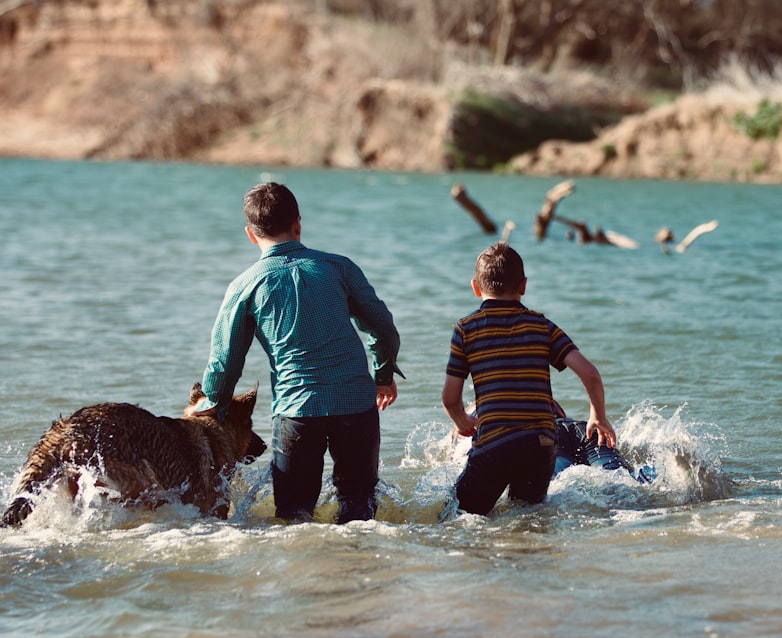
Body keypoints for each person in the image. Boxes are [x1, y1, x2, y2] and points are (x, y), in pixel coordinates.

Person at [191, 182, 402, 523]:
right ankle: (362, 570)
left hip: (297, 410)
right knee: (359, 507)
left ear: (250, 234)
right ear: (298, 224)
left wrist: (213, 401)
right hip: (356, 405)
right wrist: (383, 374)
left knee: (293, 516)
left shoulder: (245, 285)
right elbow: (382, 326)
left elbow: (225, 361)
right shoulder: (339, 267)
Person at [441, 242, 617, 515]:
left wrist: (461, 421)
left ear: (475, 287)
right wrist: (598, 416)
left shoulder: (466, 329)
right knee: (526, 517)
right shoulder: (542, 326)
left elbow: (450, 399)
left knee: (456, 515)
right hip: (542, 446)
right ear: (523, 285)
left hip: (495, 445)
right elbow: (590, 374)